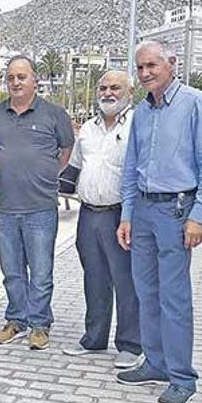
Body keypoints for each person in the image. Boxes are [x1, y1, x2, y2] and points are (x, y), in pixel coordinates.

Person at [115, 40, 202, 403]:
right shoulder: (141, 112)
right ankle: (155, 362)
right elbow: (131, 168)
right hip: (143, 211)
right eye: (140, 67)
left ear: (171, 64)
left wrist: (198, 216)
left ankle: (182, 377)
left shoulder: (195, 103)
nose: (145, 73)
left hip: (177, 212)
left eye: (152, 66)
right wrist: (127, 215)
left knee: (174, 297)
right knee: (146, 292)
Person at [0, 55, 74, 350]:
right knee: (11, 272)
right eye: (11, 77)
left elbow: (66, 151)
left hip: (40, 208)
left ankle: (39, 324)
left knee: (40, 272)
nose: (15, 82)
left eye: (21, 77)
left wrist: (48, 173)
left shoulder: (54, 114)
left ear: (34, 80)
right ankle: (16, 319)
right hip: (4, 210)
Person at [61, 70, 143, 368]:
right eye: (104, 88)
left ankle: (131, 345)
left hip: (121, 216)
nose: (108, 93)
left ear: (130, 93)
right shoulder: (88, 129)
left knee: (125, 281)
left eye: (115, 88)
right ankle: (94, 339)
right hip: (88, 215)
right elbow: (73, 169)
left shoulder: (138, 124)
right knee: (93, 278)